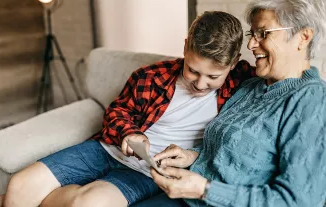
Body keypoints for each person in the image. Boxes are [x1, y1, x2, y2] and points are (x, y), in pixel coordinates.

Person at [0, 11, 256, 207]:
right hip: (106, 149)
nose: (200, 83)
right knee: (20, 184)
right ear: (185, 48)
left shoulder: (243, 82)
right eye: (193, 71)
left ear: (233, 64)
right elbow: (116, 112)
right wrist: (130, 133)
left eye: (213, 77)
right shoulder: (151, 76)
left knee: (89, 203)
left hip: (148, 171)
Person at [139, 0, 326, 207]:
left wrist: (205, 190)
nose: (251, 45)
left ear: (303, 37)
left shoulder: (313, 100)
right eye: (252, 34)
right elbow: (231, 156)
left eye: (263, 34)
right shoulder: (250, 86)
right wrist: (191, 155)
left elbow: (299, 201)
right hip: (184, 196)